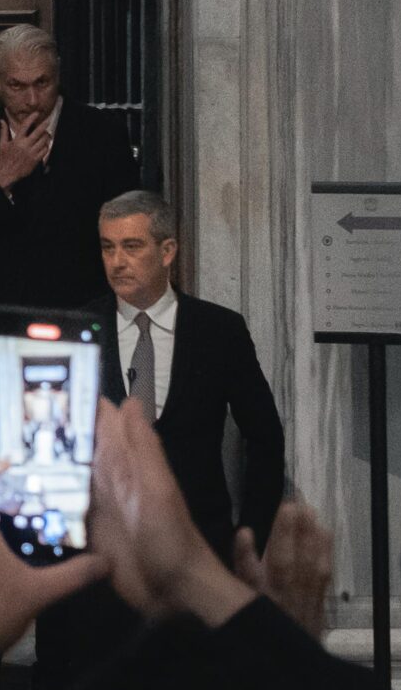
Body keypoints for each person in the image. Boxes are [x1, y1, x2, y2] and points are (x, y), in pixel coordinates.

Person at [90, 191, 285, 559]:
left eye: (132, 247)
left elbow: (265, 438)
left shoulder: (218, 331)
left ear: (167, 251)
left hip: (199, 549)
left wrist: (250, 539)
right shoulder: (81, 330)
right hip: (103, 553)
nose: (117, 262)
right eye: (107, 247)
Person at [0, 23, 140, 369]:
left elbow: (124, 230)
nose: (32, 100)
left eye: (42, 84)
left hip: (78, 325)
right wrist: (2, 180)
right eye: (17, 86)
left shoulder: (103, 135)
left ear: (58, 75)